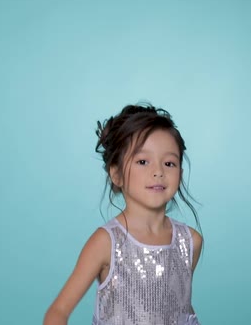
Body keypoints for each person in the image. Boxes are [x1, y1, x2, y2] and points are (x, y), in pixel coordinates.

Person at [44, 103, 203, 325]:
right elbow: (58, 312)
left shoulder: (190, 242)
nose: (158, 171)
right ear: (116, 174)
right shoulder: (106, 243)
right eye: (142, 161)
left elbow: (180, 308)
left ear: (181, 173)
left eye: (169, 163)